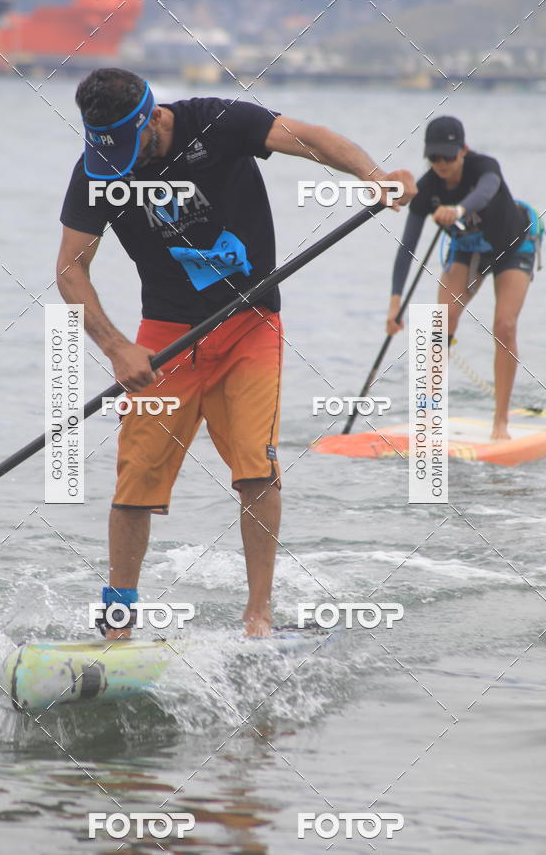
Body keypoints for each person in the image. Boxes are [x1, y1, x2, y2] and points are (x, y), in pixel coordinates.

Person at [57, 67, 416, 638]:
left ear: (152, 116)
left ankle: (258, 615)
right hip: (163, 339)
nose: (122, 165)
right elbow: (70, 271)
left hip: (249, 326)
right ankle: (118, 621)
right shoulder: (96, 171)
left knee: (256, 470)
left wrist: (373, 177)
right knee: (135, 482)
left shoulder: (218, 122)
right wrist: (117, 346)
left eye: (129, 148)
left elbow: (312, 138)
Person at [386, 116, 541, 440]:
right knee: (440, 323)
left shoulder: (485, 166)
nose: (442, 164)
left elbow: (485, 193)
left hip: (514, 245)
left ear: (463, 151)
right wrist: (395, 301)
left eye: (449, 156)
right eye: (434, 157)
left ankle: (501, 423)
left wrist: (456, 211)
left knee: (505, 326)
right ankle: (428, 418)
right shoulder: (426, 188)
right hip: (469, 251)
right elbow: (407, 248)